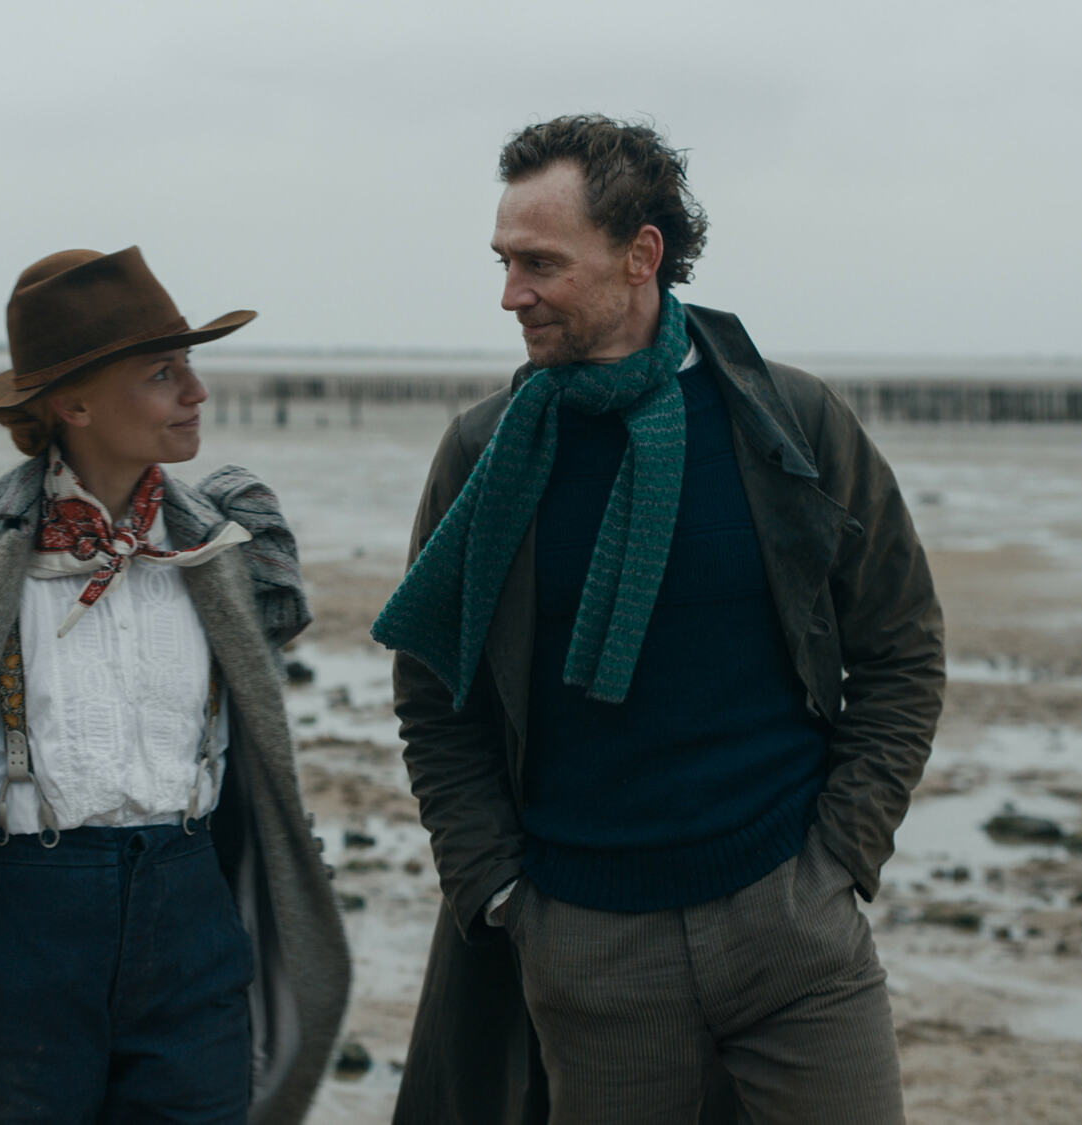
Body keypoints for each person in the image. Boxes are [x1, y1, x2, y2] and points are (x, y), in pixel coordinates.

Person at [374, 115, 945, 1124]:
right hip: (587, 948)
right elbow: (434, 695)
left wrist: (840, 856)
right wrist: (499, 892)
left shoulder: (789, 425)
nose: (510, 292)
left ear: (640, 256)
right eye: (504, 262)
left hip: (791, 926)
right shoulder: (482, 455)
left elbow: (898, 648)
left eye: (539, 263)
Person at [0, 246, 350, 1125]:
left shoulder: (222, 552)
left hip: (193, 911)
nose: (196, 392)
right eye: (162, 372)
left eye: (189, 365)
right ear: (72, 404)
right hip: (26, 924)